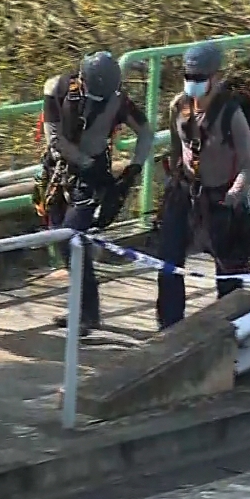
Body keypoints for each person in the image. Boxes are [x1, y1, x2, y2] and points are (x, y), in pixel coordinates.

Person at [38, 52, 153, 335]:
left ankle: (88, 313)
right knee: (60, 237)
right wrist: (84, 164)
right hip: (60, 170)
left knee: (71, 237)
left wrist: (132, 170)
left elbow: (146, 132)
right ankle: (83, 308)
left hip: (92, 178)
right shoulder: (58, 90)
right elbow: (55, 138)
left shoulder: (118, 100)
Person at [156, 42, 250, 329]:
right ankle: (169, 328)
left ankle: (232, 332)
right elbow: (176, 151)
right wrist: (173, 182)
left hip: (222, 200)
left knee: (228, 273)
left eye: (199, 78)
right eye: (188, 77)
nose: (193, 84)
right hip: (186, 193)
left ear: (215, 77)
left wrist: (235, 193)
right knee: (168, 261)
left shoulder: (230, 114)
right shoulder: (179, 107)